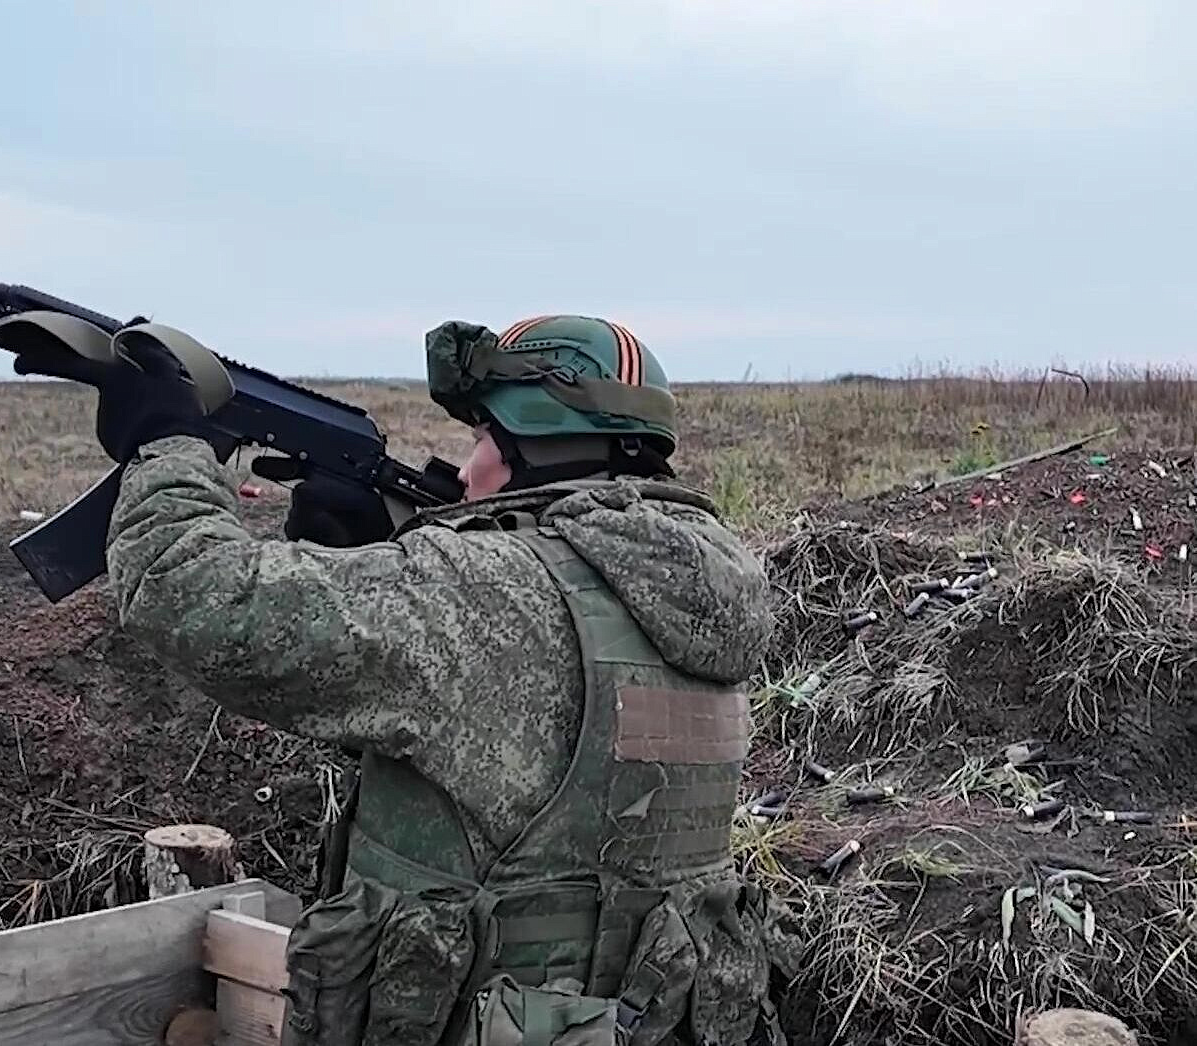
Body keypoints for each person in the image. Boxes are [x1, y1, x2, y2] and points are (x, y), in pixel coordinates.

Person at [92, 315, 783, 1046]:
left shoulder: (477, 589)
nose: (464, 467)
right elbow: (507, 755)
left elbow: (190, 592)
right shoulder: (692, 591)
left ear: (538, 444)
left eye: (481, 439)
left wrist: (165, 442)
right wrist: (387, 553)